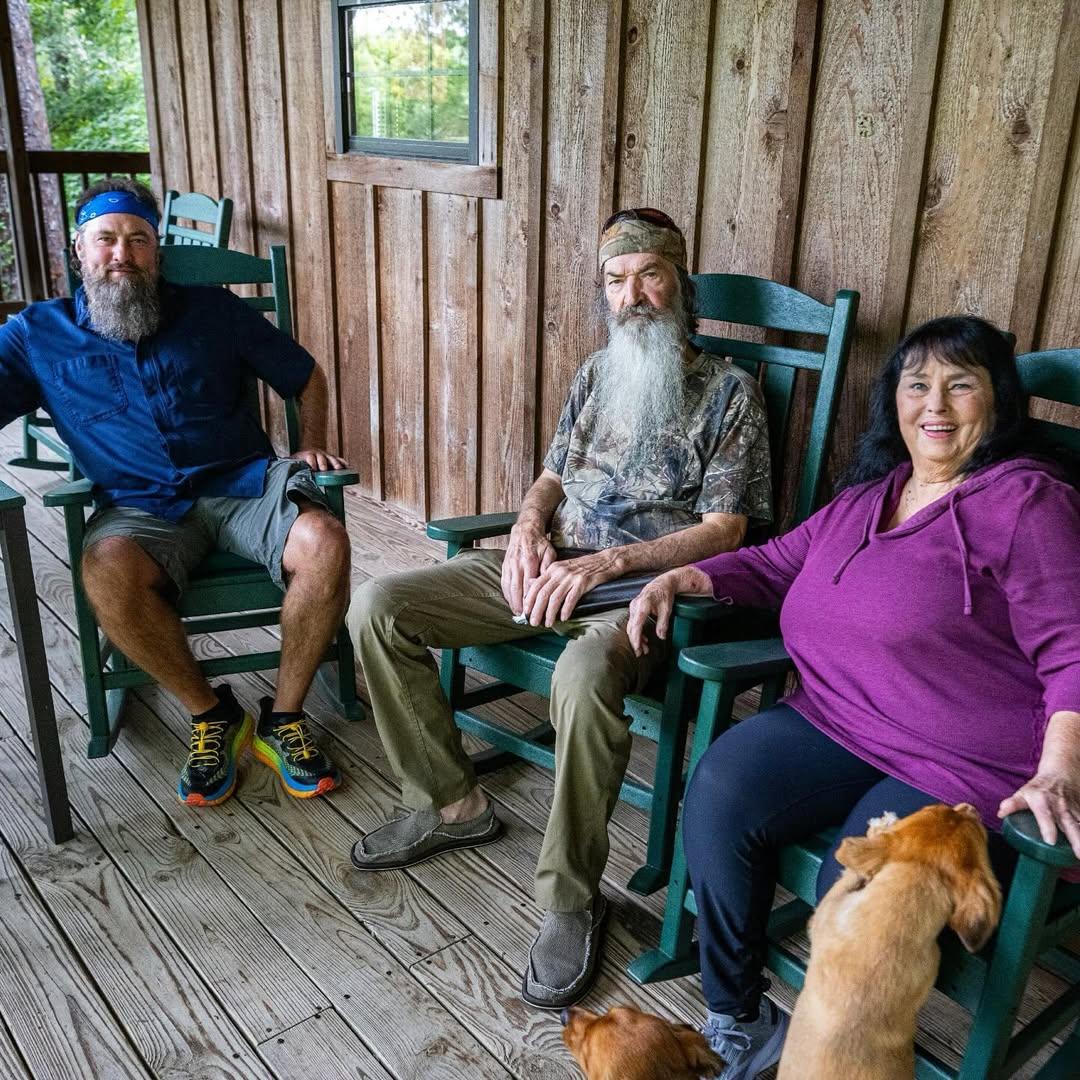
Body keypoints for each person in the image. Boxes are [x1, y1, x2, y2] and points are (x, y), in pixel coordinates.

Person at [626, 314, 1080, 1079]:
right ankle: (740, 1019)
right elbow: (774, 564)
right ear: (894, 402)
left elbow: (1073, 644)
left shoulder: (1026, 503)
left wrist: (1063, 764)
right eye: (917, 385)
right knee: (723, 787)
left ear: (997, 401)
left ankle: (833, 1057)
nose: (935, 404)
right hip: (835, 720)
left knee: (860, 897)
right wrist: (685, 575)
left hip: (967, 768)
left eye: (960, 384)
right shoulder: (873, 494)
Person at [347, 207, 773, 1008]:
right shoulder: (594, 372)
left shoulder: (730, 393)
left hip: (638, 589)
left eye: (650, 275)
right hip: (549, 568)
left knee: (580, 678)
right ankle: (451, 800)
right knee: (378, 604)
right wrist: (527, 526)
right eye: (617, 280)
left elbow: (727, 529)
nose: (634, 295)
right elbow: (552, 474)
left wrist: (612, 561)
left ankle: (569, 897)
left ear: (682, 285)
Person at [0, 179, 351, 807]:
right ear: (79, 251)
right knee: (103, 569)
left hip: (243, 484)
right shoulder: (38, 334)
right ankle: (213, 714)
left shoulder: (211, 310)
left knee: (324, 539)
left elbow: (305, 374)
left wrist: (309, 444)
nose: (122, 254)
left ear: (156, 251)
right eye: (105, 240)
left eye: (138, 239)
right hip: (138, 508)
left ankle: (283, 719)